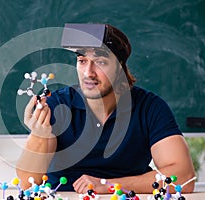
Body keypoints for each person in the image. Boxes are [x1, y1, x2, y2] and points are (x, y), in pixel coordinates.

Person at [16, 23, 195, 194]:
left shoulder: (149, 107)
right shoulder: (57, 105)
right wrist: (40, 134)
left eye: (100, 61)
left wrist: (108, 185)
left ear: (120, 67)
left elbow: (184, 177)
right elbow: (27, 181)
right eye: (82, 61)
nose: (88, 73)